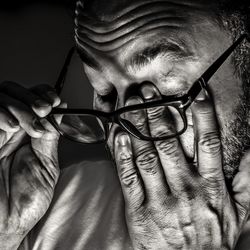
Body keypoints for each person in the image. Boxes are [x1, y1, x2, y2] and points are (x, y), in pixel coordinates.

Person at [1, 0, 250, 249]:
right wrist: (7, 236)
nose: (126, 131)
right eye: (105, 94)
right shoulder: (60, 206)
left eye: (162, 96)